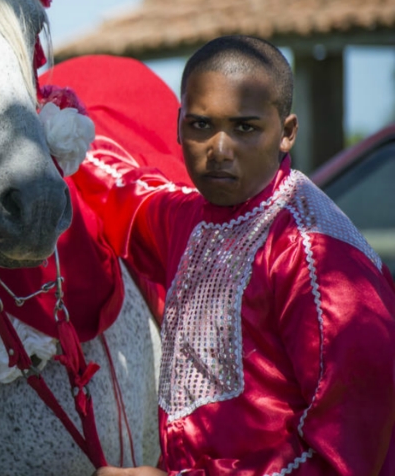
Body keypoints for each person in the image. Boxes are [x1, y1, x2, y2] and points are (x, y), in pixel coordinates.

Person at [76, 36, 395, 476]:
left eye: (245, 128)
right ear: (179, 126)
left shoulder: (318, 259)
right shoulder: (191, 220)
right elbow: (121, 193)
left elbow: (345, 456)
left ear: (287, 132)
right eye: (201, 126)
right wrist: (54, 126)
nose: (219, 149)